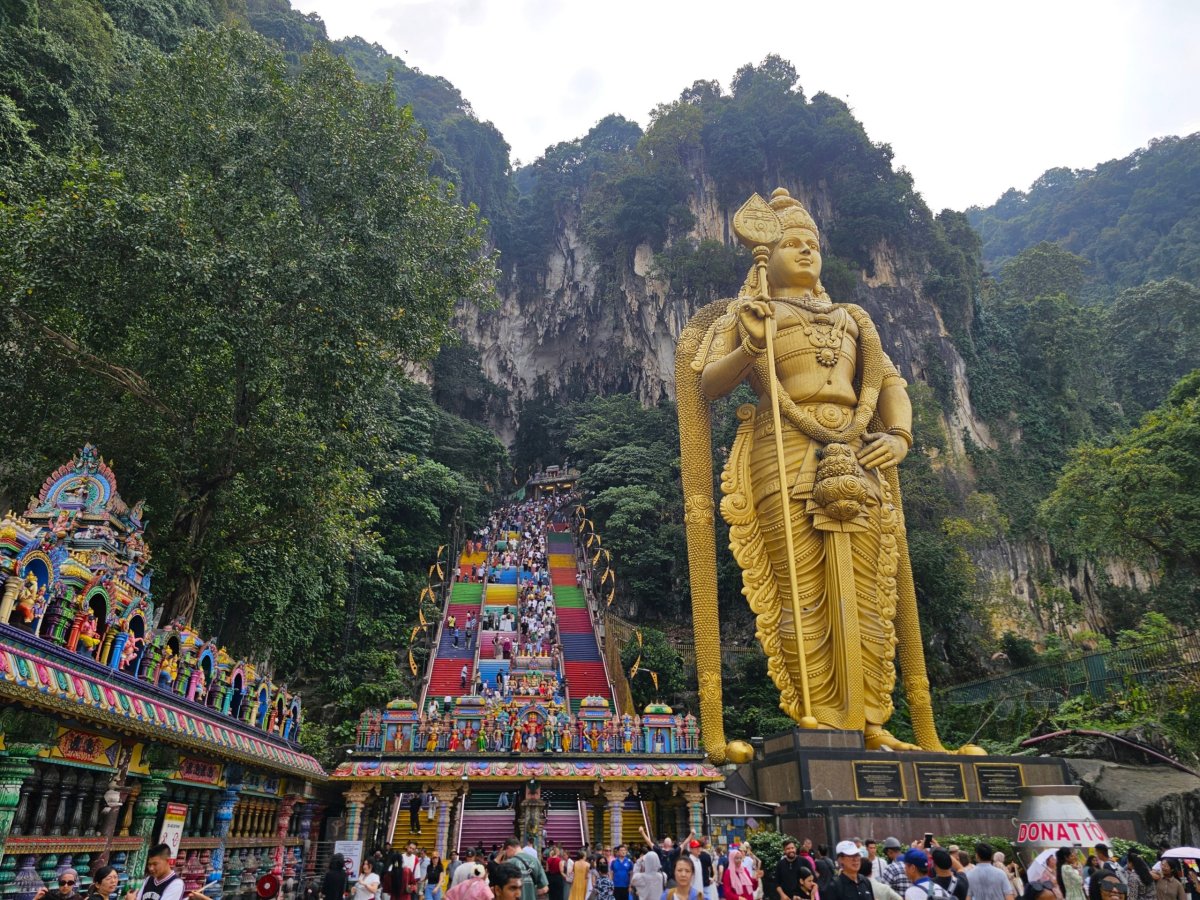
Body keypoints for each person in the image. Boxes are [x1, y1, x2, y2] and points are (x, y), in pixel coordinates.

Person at [678, 187, 958, 757]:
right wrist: (749, 349)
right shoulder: (752, 311)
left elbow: (890, 384)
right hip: (779, 451)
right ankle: (819, 715)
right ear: (767, 251)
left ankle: (873, 721)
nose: (806, 251)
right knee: (800, 591)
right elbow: (705, 383)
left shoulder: (853, 318)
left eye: (813, 243)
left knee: (870, 594)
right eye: (792, 242)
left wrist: (899, 435)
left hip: (859, 456)